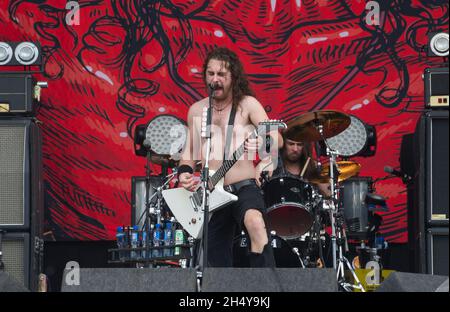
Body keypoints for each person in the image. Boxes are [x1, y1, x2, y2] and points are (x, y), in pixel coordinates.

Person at [177, 47, 283, 267]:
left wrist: (263, 144)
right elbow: (189, 152)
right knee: (214, 259)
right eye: (210, 74)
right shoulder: (196, 110)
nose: (215, 80)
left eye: (221, 75)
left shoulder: (248, 105)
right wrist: (184, 173)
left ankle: (264, 288)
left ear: (233, 77)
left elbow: (276, 138)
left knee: (256, 224)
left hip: (243, 186)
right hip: (211, 193)